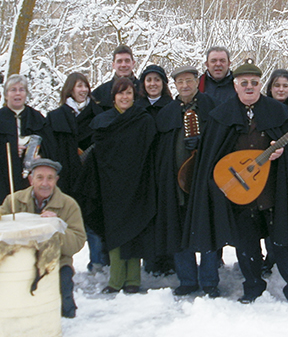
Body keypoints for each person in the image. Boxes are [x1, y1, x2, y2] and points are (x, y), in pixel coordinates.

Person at [184, 60, 288, 311]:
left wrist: (282, 155)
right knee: (247, 247)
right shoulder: (221, 115)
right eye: (243, 83)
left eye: (254, 83)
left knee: (284, 245)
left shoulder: (278, 113)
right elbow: (213, 155)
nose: (249, 87)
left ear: (260, 85)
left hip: (273, 191)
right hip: (240, 194)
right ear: (235, 86)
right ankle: (253, 287)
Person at [0, 158, 86, 318]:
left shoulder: (69, 205)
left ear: (56, 180)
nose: (45, 183)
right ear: (31, 179)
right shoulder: (14, 200)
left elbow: (78, 242)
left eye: (50, 178)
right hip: (18, 262)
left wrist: (55, 228)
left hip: (56, 263)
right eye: (40, 177)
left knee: (64, 307)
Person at [80, 77, 157, 294]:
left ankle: (133, 279)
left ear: (135, 96)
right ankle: (116, 280)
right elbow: (99, 154)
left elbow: (149, 152)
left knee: (134, 230)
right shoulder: (103, 121)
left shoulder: (143, 120)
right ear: (113, 96)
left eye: (129, 93)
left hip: (137, 183)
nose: (124, 97)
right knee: (114, 232)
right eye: (120, 93)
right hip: (110, 185)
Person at [153, 65, 220, 297]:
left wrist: (203, 144)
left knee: (207, 230)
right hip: (176, 185)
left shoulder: (211, 107)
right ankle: (188, 280)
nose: (185, 86)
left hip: (205, 182)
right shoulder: (167, 113)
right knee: (180, 231)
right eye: (180, 82)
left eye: (189, 81)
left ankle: (210, 280)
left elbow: (220, 141)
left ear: (196, 81)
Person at [46, 72, 105, 273]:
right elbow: (51, 149)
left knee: (94, 222)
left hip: (92, 178)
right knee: (63, 222)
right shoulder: (56, 117)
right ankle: (62, 265)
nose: (83, 90)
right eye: (78, 86)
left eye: (85, 86)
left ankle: (98, 263)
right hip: (67, 178)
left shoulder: (98, 114)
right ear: (70, 89)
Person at [134, 64, 175, 276]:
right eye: (149, 80)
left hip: (166, 168)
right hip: (143, 169)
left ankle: (169, 260)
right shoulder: (136, 107)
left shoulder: (172, 107)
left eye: (157, 80)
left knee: (167, 214)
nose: (152, 84)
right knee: (147, 215)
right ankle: (150, 260)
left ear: (163, 83)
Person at [0, 74, 56, 203]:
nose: (17, 93)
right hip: (4, 176)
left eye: (21, 89)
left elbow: (50, 147)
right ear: (6, 94)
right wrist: (10, 150)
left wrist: (40, 155)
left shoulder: (37, 118)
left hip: (32, 179)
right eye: (13, 90)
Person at [91, 45, 141, 111]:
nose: (123, 65)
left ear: (133, 63)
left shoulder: (143, 90)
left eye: (127, 61)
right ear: (113, 65)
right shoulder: (100, 93)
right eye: (119, 61)